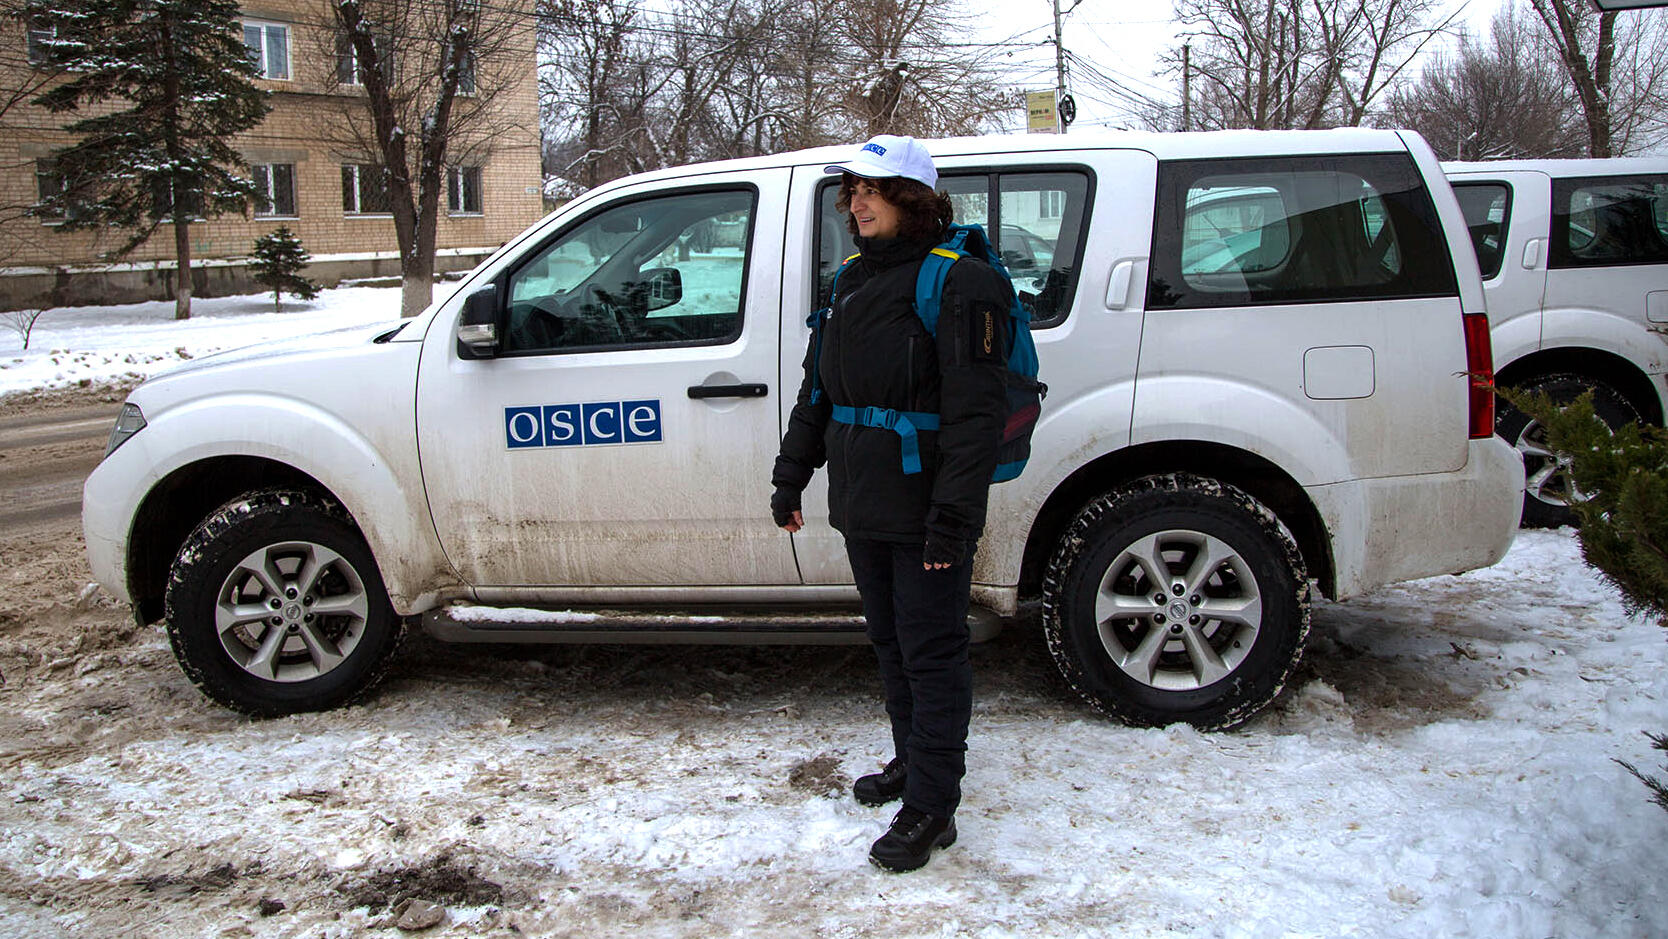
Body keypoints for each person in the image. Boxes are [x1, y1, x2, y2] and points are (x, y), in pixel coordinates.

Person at [770, 134, 1010, 873]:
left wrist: (954, 517)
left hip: (927, 504)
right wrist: (791, 474)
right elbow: (820, 389)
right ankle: (914, 763)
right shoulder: (849, 279)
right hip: (863, 499)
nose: (858, 201)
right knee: (892, 643)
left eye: (874, 189)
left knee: (933, 652)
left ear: (913, 199)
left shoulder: (961, 282)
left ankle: (934, 805)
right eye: (853, 190)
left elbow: (977, 417)